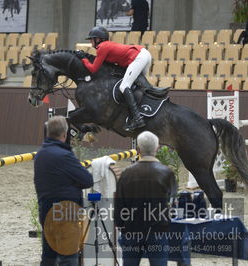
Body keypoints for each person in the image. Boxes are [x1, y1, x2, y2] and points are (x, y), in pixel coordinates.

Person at [34, 116, 94, 266]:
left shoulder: (40, 155)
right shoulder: (65, 156)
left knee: (48, 257)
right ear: (64, 134)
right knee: (68, 258)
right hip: (65, 213)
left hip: (46, 212)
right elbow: (87, 180)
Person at [114, 131, 178, 266]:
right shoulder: (167, 173)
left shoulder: (126, 174)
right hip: (158, 230)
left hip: (131, 230)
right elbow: (172, 203)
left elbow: (119, 203)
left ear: (138, 149)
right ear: (157, 148)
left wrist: (120, 225)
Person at [75, 26, 151, 132]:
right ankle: (144, 112)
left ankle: (138, 119)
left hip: (138, 57)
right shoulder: (107, 46)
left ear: (98, 39)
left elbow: (93, 69)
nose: (91, 42)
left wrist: (83, 58)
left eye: (92, 39)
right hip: (144, 54)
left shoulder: (102, 47)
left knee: (124, 86)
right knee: (139, 86)